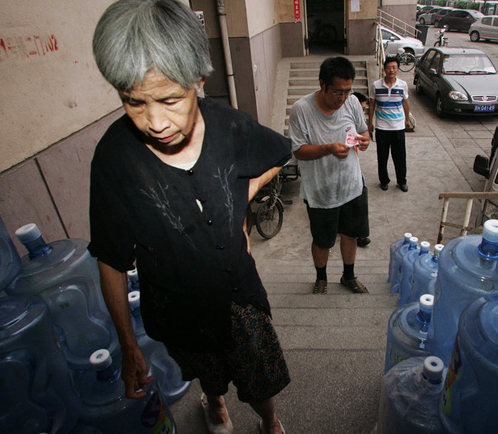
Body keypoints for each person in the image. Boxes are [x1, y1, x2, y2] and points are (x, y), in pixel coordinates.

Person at [88, 1, 290, 433]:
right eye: (133, 103)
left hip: (239, 295)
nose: (154, 122)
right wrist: (128, 346)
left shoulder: (229, 126)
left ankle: (269, 421)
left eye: (169, 99)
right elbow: (110, 259)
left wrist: (244, 193)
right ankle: (215, 404)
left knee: (259, 375)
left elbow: (279, 152)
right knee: (207, 371)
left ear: (199, 79)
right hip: (177, 308)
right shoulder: (114, 159)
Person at [289, 57, 370, 295]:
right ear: (322, 84)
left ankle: (348, 276)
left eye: (347, 92)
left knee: (351, 234)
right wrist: (329, 148)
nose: (342, 98)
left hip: (352, 185)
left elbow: (363, 131)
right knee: (322, 240)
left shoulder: (352, 102)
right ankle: (321, 278)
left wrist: (365, 140)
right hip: (321, 190)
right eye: (337, 92)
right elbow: (298, 151)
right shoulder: (301, 110)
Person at [368, 56, 411, 192]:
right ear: (384, 69)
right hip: (382, 127)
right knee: (382, 157)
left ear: (398, 69)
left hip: (398, 127)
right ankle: (384, 181)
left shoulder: (403, 85)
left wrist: (407, 119)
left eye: (394, 67)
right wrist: (370, 122)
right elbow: (372, 104)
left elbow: (405, 102)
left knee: (400, 157)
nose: (391, 70)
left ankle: (402, 181)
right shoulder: (376, 85)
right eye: (388, 67)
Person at [352, 91, 372, 249]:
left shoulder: (357, 122)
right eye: (362, 108)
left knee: (361, 190)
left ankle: (361, 233)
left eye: (365, 110)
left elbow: (363, 135)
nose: (363, 112)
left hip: (352, 167)